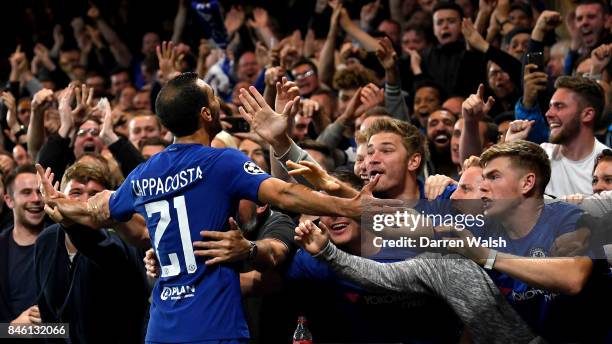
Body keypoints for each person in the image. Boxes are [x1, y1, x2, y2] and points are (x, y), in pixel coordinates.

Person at [37, 73, 382, 344]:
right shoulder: (222, 161)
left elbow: (97, 211)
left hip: (161, 329)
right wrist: (349, 205)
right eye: (214, 99)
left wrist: (60, 203)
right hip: (214, 324)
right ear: (205, 113)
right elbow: (285, 195)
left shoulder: (145, 171)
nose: (219, 104)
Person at [34, 162, 149, 343]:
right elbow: (49, 317)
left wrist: (71, 225)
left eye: (94, 195)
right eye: (76, 193)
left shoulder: (122, 241)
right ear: (61, 195)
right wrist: (12, 328)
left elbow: (102, 251)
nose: (84, 202)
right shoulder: (46, 240)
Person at [0, 165, 46, 325]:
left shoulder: (64, 244)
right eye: (26, 192)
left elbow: (79, 328)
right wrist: (13, 330)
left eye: (40, 191)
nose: (36, 199)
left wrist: (47, 330)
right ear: (9, 200)